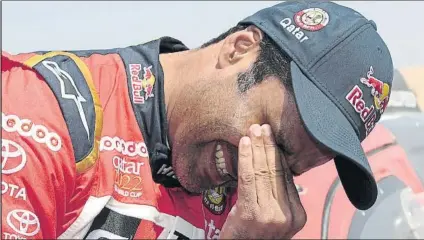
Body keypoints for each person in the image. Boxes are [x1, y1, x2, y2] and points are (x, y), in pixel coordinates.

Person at [1, 1, 394, 239]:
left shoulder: (256, 212)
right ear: (239, 50)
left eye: (288, 169)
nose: (256, 176)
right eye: (270, 143)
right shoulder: (43, 113)